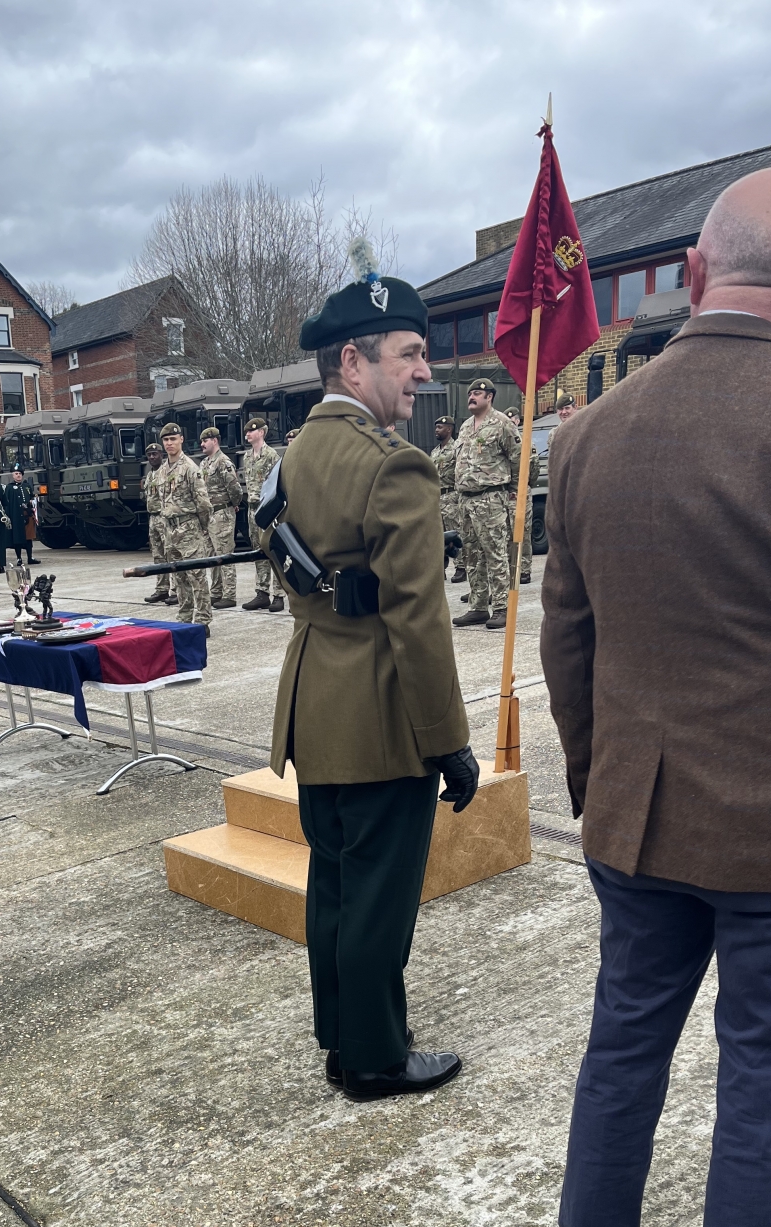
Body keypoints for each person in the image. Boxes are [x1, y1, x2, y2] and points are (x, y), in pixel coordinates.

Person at [541, 167, 771, 1227]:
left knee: (623, 1053)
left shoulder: (590, 433)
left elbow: (570, 650)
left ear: (690, 275)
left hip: (636, 820)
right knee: (766, 1090)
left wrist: (598, 790)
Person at [264, 257, 478, 1102]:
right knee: (380, 902)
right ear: (352, 362)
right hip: (384, 716)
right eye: (408, 354)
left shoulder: (291, 456)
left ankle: (341, 1036)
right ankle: (376, 1059)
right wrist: (450, 743)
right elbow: (419, 625)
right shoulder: (396, 465)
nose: (424, 373)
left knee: (335, 887)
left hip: (314, 704)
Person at [452, 378, 520, 629]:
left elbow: (518, 459)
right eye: (470, 393)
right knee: (471, 555)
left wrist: (513, 492)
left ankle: (502, 607)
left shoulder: (502, 424)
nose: (472, 397)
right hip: (465, 500)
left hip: (491, 498)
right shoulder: (465, 427)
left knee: (496, 554)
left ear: (489, 396)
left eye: (477, 393)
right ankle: (478, 607)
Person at [152, 422, 213, 630]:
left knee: (197, 576)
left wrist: (201, 527)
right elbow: (161, 502)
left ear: (181, 440)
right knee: (178, 577)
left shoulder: (190, 468)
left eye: (173, 439)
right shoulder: (161, 472)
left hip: (189, 528)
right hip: (169, 530)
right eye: (166, 440)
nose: (169, 443)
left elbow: (203, 503)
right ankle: (185, 618)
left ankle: (203, 620)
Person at [240, 417, 283, 612]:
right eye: (247, 431)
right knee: (258, 551)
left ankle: (279, 594)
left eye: (251, 430)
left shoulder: (272, 455)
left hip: (267, 509)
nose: (247, 433)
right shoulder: (247, 457)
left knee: (273, 550)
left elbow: (277, 482)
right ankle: (262, 592)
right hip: (252, 508)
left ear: (262, 432)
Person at [198, 426, 243, 609]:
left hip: (222, 513)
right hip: (209, 515)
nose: (202, 444)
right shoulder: (204, 463)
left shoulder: (223, 462)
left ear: (214, 440)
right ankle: (216, 592)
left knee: (225, 554)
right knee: (211, 556)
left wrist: (234, 503)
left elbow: (235, 489)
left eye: (205, 441)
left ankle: (229, 594)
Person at [502, 406, 537, 585]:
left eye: (513, 420)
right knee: (507, 534)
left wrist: (525, 487)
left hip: (522, 492)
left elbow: (534, 468)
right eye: (508, 421)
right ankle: (511, 568)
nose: (512, 423)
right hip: (506, 494)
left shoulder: (527, 441)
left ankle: (524, 569)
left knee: (524, 533)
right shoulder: (504, 443)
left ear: (518, 421)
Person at [140, 442, 174, 605]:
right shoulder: (150, 475)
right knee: (158, 555)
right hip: (153, 518)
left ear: (162, 455)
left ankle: (176, 590)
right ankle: (162, 589)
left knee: (171, 553)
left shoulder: (167, 472)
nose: (152, 457)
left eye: (155, 454)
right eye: (150, 455)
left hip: (165, 517)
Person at [430, 415, 463, 581]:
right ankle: (440, 568)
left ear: (449, 429)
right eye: (436, 427)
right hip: (437, 497)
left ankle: (461, 567)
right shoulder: (435, 451)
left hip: (451, 496)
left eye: (440, 427)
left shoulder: (457, 448)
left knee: (454, 532)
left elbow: (461, 471)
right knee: (439, 535)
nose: (437, 430)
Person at [3, 468, 35, 565]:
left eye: (20, 473)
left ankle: (30, 557)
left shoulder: (27, 486)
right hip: (16, 516)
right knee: (17, 538)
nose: (18, 475)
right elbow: (6, 503)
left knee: (29, 537)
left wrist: (31, 502)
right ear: (13, 475)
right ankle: (19, 558)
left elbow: (32, 496)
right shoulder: (9, 487)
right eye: (16, 473)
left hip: (27, 514)